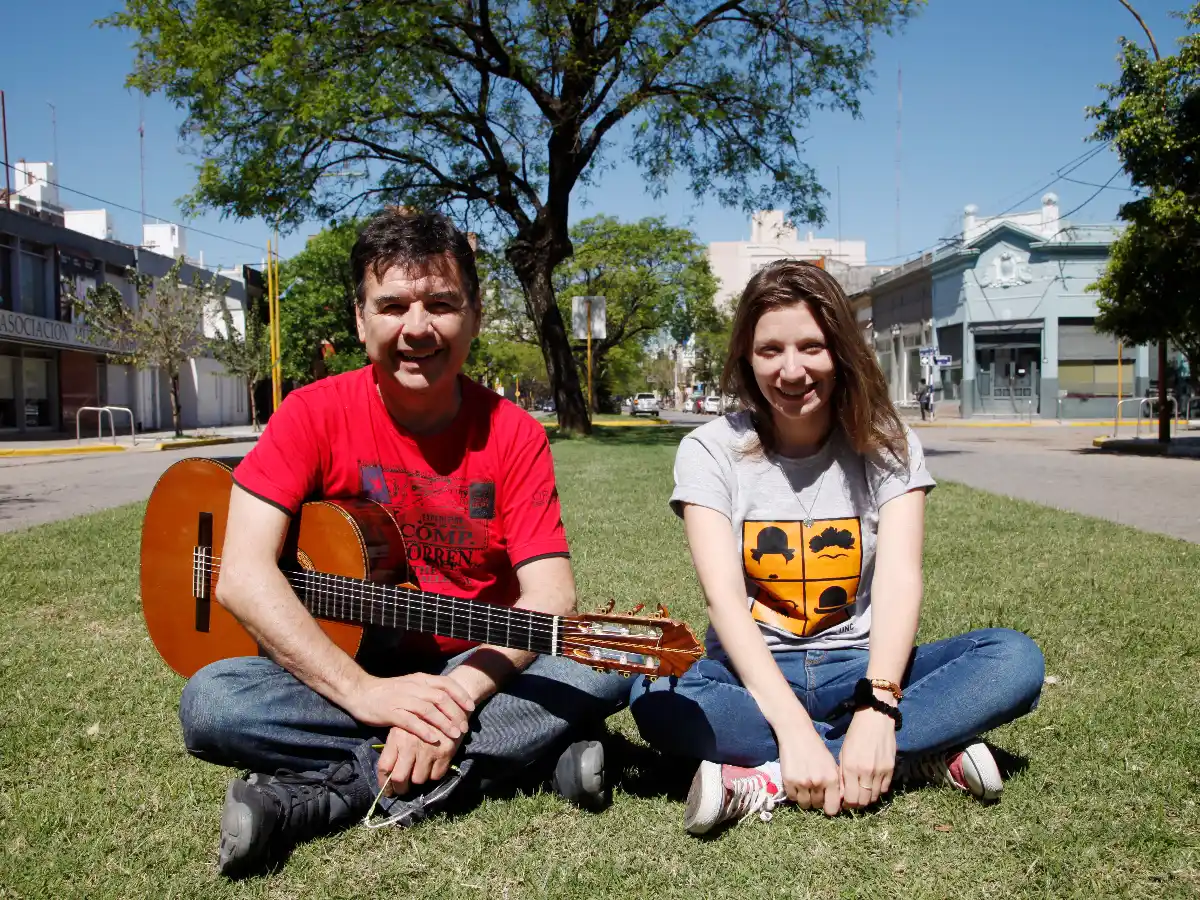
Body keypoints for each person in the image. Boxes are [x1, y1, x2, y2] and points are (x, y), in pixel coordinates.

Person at [179, 209, 629, 877]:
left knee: (607, 661)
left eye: (441, 304)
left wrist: (455, 699)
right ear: (361, 321)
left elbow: (551, 594)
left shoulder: (514, 433)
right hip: (346, 673)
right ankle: (526, 757)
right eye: (393, 305)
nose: (417, 327)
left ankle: (334, 793)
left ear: (473, 317)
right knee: (214, 701)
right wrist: (367, 695)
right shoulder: (310, 412)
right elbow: (243, 575)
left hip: (476, 670)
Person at [629, 260, 1044, 835]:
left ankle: (770, 777)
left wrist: (879, 705)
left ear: (841, 351)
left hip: (861, 667)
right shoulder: (710, 448)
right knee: (654, 691)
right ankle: (905, 758)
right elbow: (723, 601)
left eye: (812, 347)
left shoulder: (887, 443)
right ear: (747, 357)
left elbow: (900, 579)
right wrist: (795, 729)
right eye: (770, 350)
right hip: (748, 673)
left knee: (1014, 659)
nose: (791, 370)